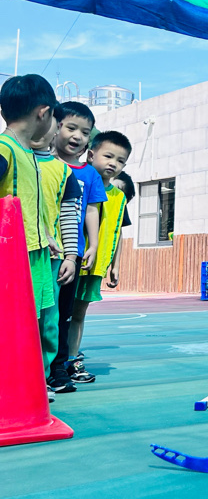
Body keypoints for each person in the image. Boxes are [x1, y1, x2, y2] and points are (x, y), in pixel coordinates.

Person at [0, 74, 60, 391]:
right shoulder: (5, 149)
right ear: (43, 112)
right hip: (13, 256)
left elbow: (28, 203)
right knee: (14, 323)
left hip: (35, 251)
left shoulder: (28, 153)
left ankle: (30, 385)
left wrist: (45, 234)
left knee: (35, 322)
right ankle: (14, 387)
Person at [67, 131, 132, 378]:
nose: (113, 163)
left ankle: (72, 358)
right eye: (108, 156)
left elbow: (118, 231)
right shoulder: (77, 180)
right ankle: (52, 361)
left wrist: (115, 265)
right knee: (60, 313)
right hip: (71, 260)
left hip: (96, 266)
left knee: (79, 313)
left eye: (120, 160)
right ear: (91, 154)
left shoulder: (119, 197)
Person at [50, 101, 106, 385]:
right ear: (54, 125)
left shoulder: (89, 173)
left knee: (64, 313)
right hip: (44, 249)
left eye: (85, 132)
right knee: (42, 313)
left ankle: (59, 366)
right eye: (72, 128)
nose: (78, 136)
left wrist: (92, 245)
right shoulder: (43, 163)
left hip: (72, 252)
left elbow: (93, 210)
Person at [31, 115, 82, 396]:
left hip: (52, 258)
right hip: (18, 253)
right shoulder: (15, 158)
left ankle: (44, 376)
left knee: (49, 321)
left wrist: (71, 257)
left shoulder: (63, 172)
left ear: (55, 131)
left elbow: (68, 217)